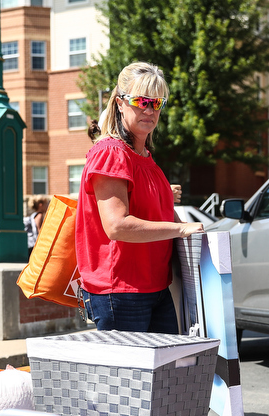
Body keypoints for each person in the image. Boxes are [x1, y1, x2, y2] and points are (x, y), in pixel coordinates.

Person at [75, 61, 204, 333]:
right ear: (120, 103)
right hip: (120, 291)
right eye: (141, 101)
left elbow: (158, 213)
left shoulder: (145, 157)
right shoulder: (111, 152)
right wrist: (181, 229)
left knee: (165, 375)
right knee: (127, 376)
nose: (149, 110)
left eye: (157, 103)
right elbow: (117, 226)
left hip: (155, 287)